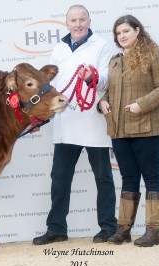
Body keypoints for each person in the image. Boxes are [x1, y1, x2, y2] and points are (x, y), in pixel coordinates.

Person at [32, 4, 118, 245]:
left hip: (93, 121)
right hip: (65, 122)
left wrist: (92, 77)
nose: (78, 24)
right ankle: (56, 228)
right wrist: (40, 115)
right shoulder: (59, 48)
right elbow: (50, 88)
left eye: (82, 20)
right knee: (59, 178)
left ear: (89, 22)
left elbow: (108, 81)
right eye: (73, 20)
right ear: (67, 23)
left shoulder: (103, 46)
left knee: (103, 177)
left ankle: (109, 227)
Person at [99, 15, 159, 247]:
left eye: (126, 31)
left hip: (145, 127)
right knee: (128, 178)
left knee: (152, 177)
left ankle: (153, 232)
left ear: (137, 30)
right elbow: (109, 90)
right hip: (119, 129)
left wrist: (142, 104)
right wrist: (102, 102)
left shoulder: (155, 53)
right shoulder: (114, 60)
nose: (121, 36)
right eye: (118, 33)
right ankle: (124, 230)